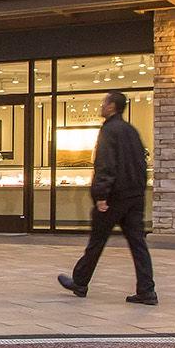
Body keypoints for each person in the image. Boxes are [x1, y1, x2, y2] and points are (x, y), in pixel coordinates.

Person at [58, 91, 157, 306]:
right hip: (134, 196)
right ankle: (147, 290)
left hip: (114, 197)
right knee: (138, 244)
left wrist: (101, 195)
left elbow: (105, 164)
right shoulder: (131, 131)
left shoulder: (109, 131)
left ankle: (80, 281)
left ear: (112, 106)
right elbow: (142, 164)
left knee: (97, 241)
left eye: (104, 103)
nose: (101, 106)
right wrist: (139, 191)